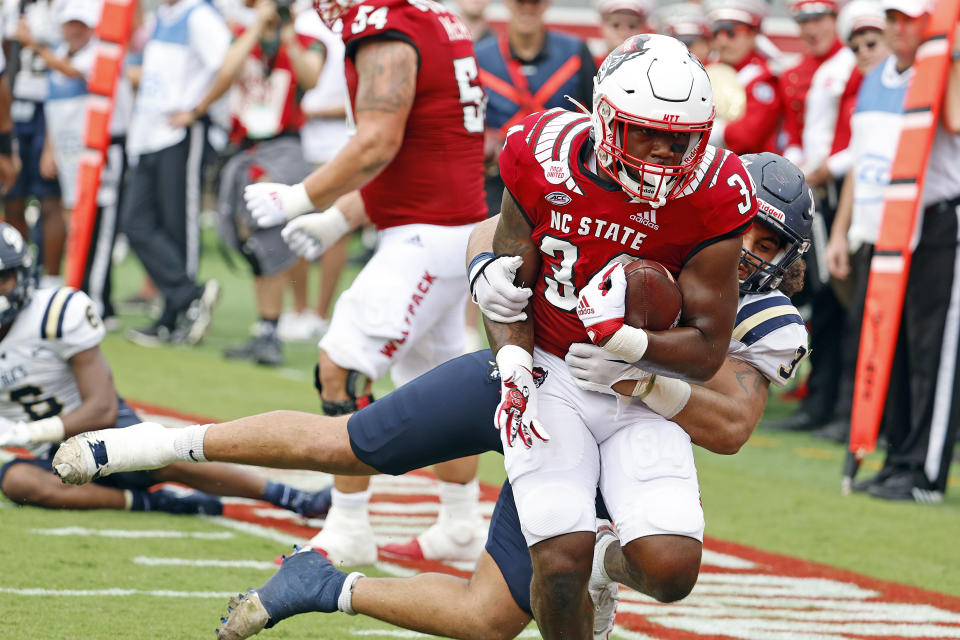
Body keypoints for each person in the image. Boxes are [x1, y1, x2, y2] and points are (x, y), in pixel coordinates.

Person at [50, 152, 812, 640]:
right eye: (745, 229)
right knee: (346, 443)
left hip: (609, 438)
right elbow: (490, 233)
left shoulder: (768, 320)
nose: (748, 252)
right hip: (526, 380)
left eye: (770, 245)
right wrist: (489, 281)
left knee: (494, 616)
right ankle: (143, 443)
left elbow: (734, 421)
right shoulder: (650, 223)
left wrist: (637, 370)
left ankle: (324, 585)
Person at [484, 32, 757, 638]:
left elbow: (710, 347)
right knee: (557, 560)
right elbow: (507, 279)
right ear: (606, 120)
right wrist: (511, 365)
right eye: (647, 133)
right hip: (551, 369)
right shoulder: (542, 150)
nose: (663, 153)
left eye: (680, 139)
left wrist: (629, 349)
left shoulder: (715, 191)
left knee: (672, 573)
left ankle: (606, 568)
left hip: (643, 389)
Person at [241, 0, 488, 566]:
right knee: (442, 383)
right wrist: (340, 217)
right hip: (449, 228)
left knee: (340, 365)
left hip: (427, 238)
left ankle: (349, 524)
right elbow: (425, 151)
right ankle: (459, 522)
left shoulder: (388, 23)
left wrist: (303, 196)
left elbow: (378, 142)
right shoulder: (434, 17)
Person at [0, 222, 328, 518]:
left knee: (169, 458)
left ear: (23, 275)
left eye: (3, 278)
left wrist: (29, 432)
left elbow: (102, 408)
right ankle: (157, 503)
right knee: (17, 481)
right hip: (50, 456)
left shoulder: (55, 314)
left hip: (106, 433)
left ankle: (291, 497)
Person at [825, 0, 960, 502]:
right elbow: (864, 161)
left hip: (938, 223)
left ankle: (924, 473)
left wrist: (949, 58)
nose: (899, 28)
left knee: (931, 351)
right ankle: (897, 457)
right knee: (890, 346)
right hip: (881, 231)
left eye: (910, 19)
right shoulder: (877, 75)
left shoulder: (943, 68)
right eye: (894, 18)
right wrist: (841, 232)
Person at [171, 0, 324, 366]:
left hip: (282, 145)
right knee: (247, 239)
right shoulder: (242, 37)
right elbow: (224, 73)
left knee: (268, 231)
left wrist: (287, 34)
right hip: (244, 148)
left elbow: (311, 78)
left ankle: (270, 329)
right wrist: (257, 27)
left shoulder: (305, 41)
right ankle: (265, 327)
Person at [121, 0, 228, 346]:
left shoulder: (199, 15)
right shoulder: (162, 16)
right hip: (150, 134)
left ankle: (174, 314)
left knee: (177, 225)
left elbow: (229, 64)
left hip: (180, 134)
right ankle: (187, 296)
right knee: (136, 223)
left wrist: (197, 110)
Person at [474, 0, 596, 218]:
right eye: (520, 1)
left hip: (561, 182)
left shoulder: (574, 51)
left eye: (535, 1)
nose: (527, 7)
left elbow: (599, 117)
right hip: (497, 182)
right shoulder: (480, 57)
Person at [4, 0, 66, 289]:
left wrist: (34, 43)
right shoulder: (10, 9)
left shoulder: (60, 10)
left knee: (50, 198)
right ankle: (19, 273)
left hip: (48, 107)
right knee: (13, 198)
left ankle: (51, 279)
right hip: (13, 108)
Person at [705, 0, 781, 154]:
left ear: (753, 35)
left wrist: (711, 130)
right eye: (716, 33)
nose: (722, 41)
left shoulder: (762, 79)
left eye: (731, 32)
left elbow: (747, 138)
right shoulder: (708, 69)